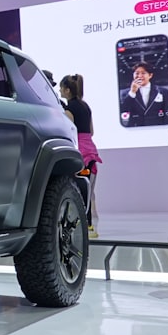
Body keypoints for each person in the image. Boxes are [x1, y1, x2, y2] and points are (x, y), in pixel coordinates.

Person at [60, 74, 102, 237]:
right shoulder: (86, 106)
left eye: (61, 88)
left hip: (79, 152)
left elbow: (69, 130)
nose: (59, 91)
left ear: (67, 90)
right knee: (88, 188)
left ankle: (85, 225)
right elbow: (91, 131)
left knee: (78, 187)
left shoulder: (69, 109)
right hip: (90, 151)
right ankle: (89, 225)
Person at [119, 61, 168, 126]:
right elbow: (123, 110)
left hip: (157, 126)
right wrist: (132, 92)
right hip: (135, 128)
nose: (139, 76)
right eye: (137, 73)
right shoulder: (125, 93)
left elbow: (167, 111)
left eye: (143, 73)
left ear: (150, 75)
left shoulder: (163, 91)